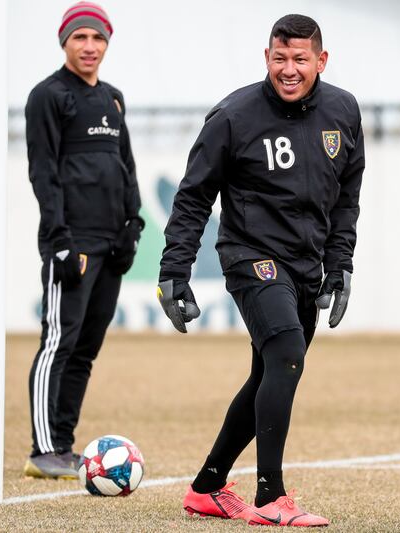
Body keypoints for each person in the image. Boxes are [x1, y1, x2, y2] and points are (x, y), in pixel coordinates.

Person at [157, 14, 364, 527]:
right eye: (279, 58)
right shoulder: (234, 115)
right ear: (266, 57)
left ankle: (207, 487)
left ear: (321, 59)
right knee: (288, 354)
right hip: (251, 255)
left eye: (299, 59)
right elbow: (193, 197)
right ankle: (271, 497)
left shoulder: (344, 110)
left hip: (306, 263)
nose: (288, 70)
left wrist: (339, 265)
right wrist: (174, 270)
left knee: (269, 374)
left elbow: (347, 198)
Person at [24, 2, 143, 479]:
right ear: (65, 42)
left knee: (86, 349)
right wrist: (59, 241)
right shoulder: (48, 96)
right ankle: (42, 449)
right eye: (80, 38)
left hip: (111, 247)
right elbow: (43, 173)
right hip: (72, 246)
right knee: (59, 343)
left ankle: (63, 445)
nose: (89, 47)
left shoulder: (113, 97)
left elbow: (126, 167)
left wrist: (132, 227)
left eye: (97, 39)